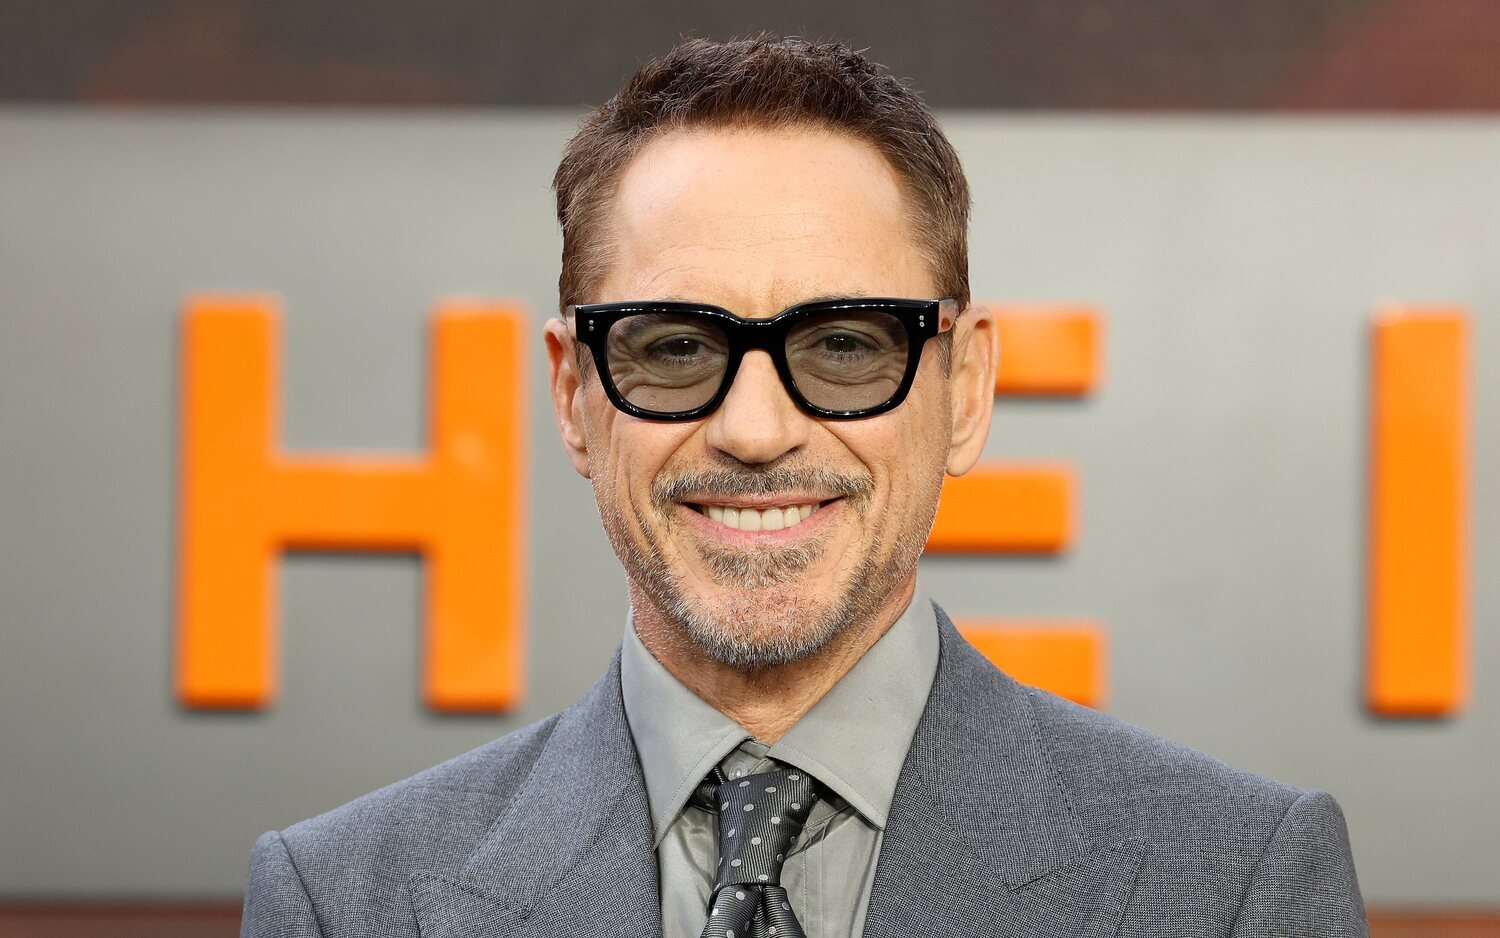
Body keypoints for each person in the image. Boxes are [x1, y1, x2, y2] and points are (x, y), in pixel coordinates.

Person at [241, 35, 1366, 938]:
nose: (756, 429)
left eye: (843, 345)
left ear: (967, 390)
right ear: (574, 395)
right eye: (675, 346)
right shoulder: (346, 901)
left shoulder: (1234, 888)